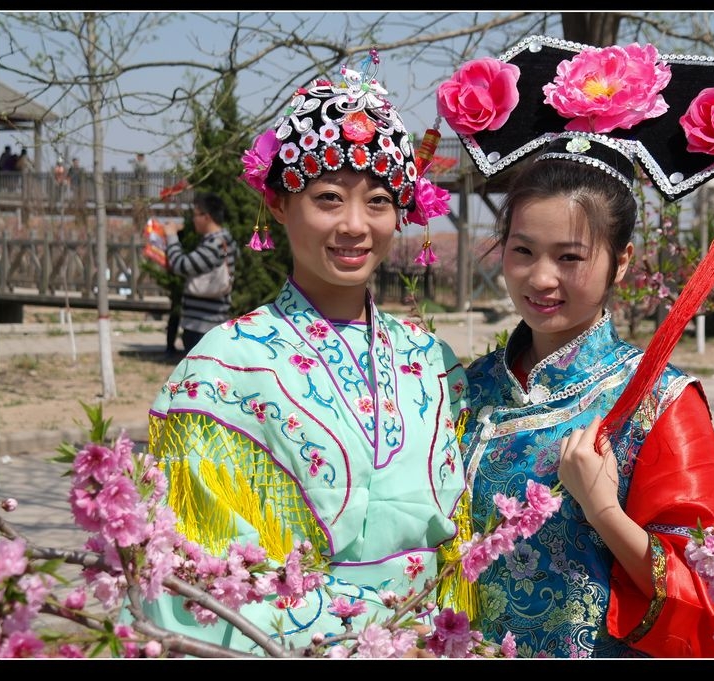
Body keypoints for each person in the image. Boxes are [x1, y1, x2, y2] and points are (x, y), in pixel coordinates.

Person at [438, 34, 714, 657]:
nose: (542, 279)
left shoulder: (662, 403)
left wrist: (604, 510)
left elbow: (707, 600)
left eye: (571, 257)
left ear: (621, 263)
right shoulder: (466, 390)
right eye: (523, 252)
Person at [138, 52, 470, 654]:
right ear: (278, 204)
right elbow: (196, 575)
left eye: (377, 201)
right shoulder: (222, 367)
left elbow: (462, 552)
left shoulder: (433, 361)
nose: (354, 225)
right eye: (327, 198)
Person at [161, 191, 238, 354]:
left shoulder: (213, 244)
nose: (193, 219)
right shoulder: (225, 239)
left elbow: (181, 266)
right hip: (211, 321)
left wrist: (171, 237)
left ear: (207, 216)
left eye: (195, 215)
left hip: (203, 325)